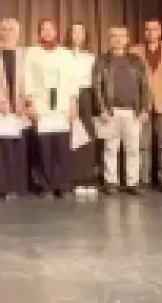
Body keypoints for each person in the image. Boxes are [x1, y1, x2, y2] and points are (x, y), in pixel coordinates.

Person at [24, 19, 77, 198]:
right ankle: (46, 185)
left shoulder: (65, 54)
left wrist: (73, 102)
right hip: (42, 104)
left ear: (56, 32)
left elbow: (72, 80)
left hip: (62, 105)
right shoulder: (33, 53)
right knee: (44, 148)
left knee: (61, 147)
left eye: (50, 29)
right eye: (43, 29)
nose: (47, 32)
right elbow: (28, 79)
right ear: (39, 33)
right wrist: (30, 103)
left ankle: (62, 185)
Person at [94, 25, 149, 195]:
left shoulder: (136, 60)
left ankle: (133, 182)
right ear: (109, 39)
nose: (118, 39)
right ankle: (111, 182)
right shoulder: (102, 60)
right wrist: (102, 109)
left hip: (132, 111)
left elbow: (144, 86)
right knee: (111, 148)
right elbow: (97, 87)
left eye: (122, 36)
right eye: (114, 36)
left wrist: (145, 108)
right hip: (111, 111)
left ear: (127, 39)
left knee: (133, 149)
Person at [130, 19, 162, 192]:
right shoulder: (134, 51)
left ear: (161, 31)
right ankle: (144, 179)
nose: (151, 33)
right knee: (143, 144)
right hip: (142, 103)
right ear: (144, 32)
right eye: (147, 29)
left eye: (154, 29)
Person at [0, 18, 30, 199]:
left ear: (18, 32)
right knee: (4, 147)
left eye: (11, 29)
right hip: (2, 106)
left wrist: (23, 101)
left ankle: (18, 185)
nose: (7, 32)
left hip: (19, 106)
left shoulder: (24, 53)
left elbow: (29, 79)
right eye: (4, 29)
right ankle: (4, 187)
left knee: (19, 146)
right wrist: (0, 100)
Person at [66, 23, 99, 198]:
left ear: (85, 36)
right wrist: (71, 99)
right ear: (69, 35)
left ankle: (87, 178)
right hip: (67, 96)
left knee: (87, 136)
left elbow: (95, 82)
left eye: (81, 32)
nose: (77, 35)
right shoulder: (63, 55)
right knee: (71, 137)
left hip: (86, 95)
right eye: (74, 32)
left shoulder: (90, 57)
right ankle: (73, 178)